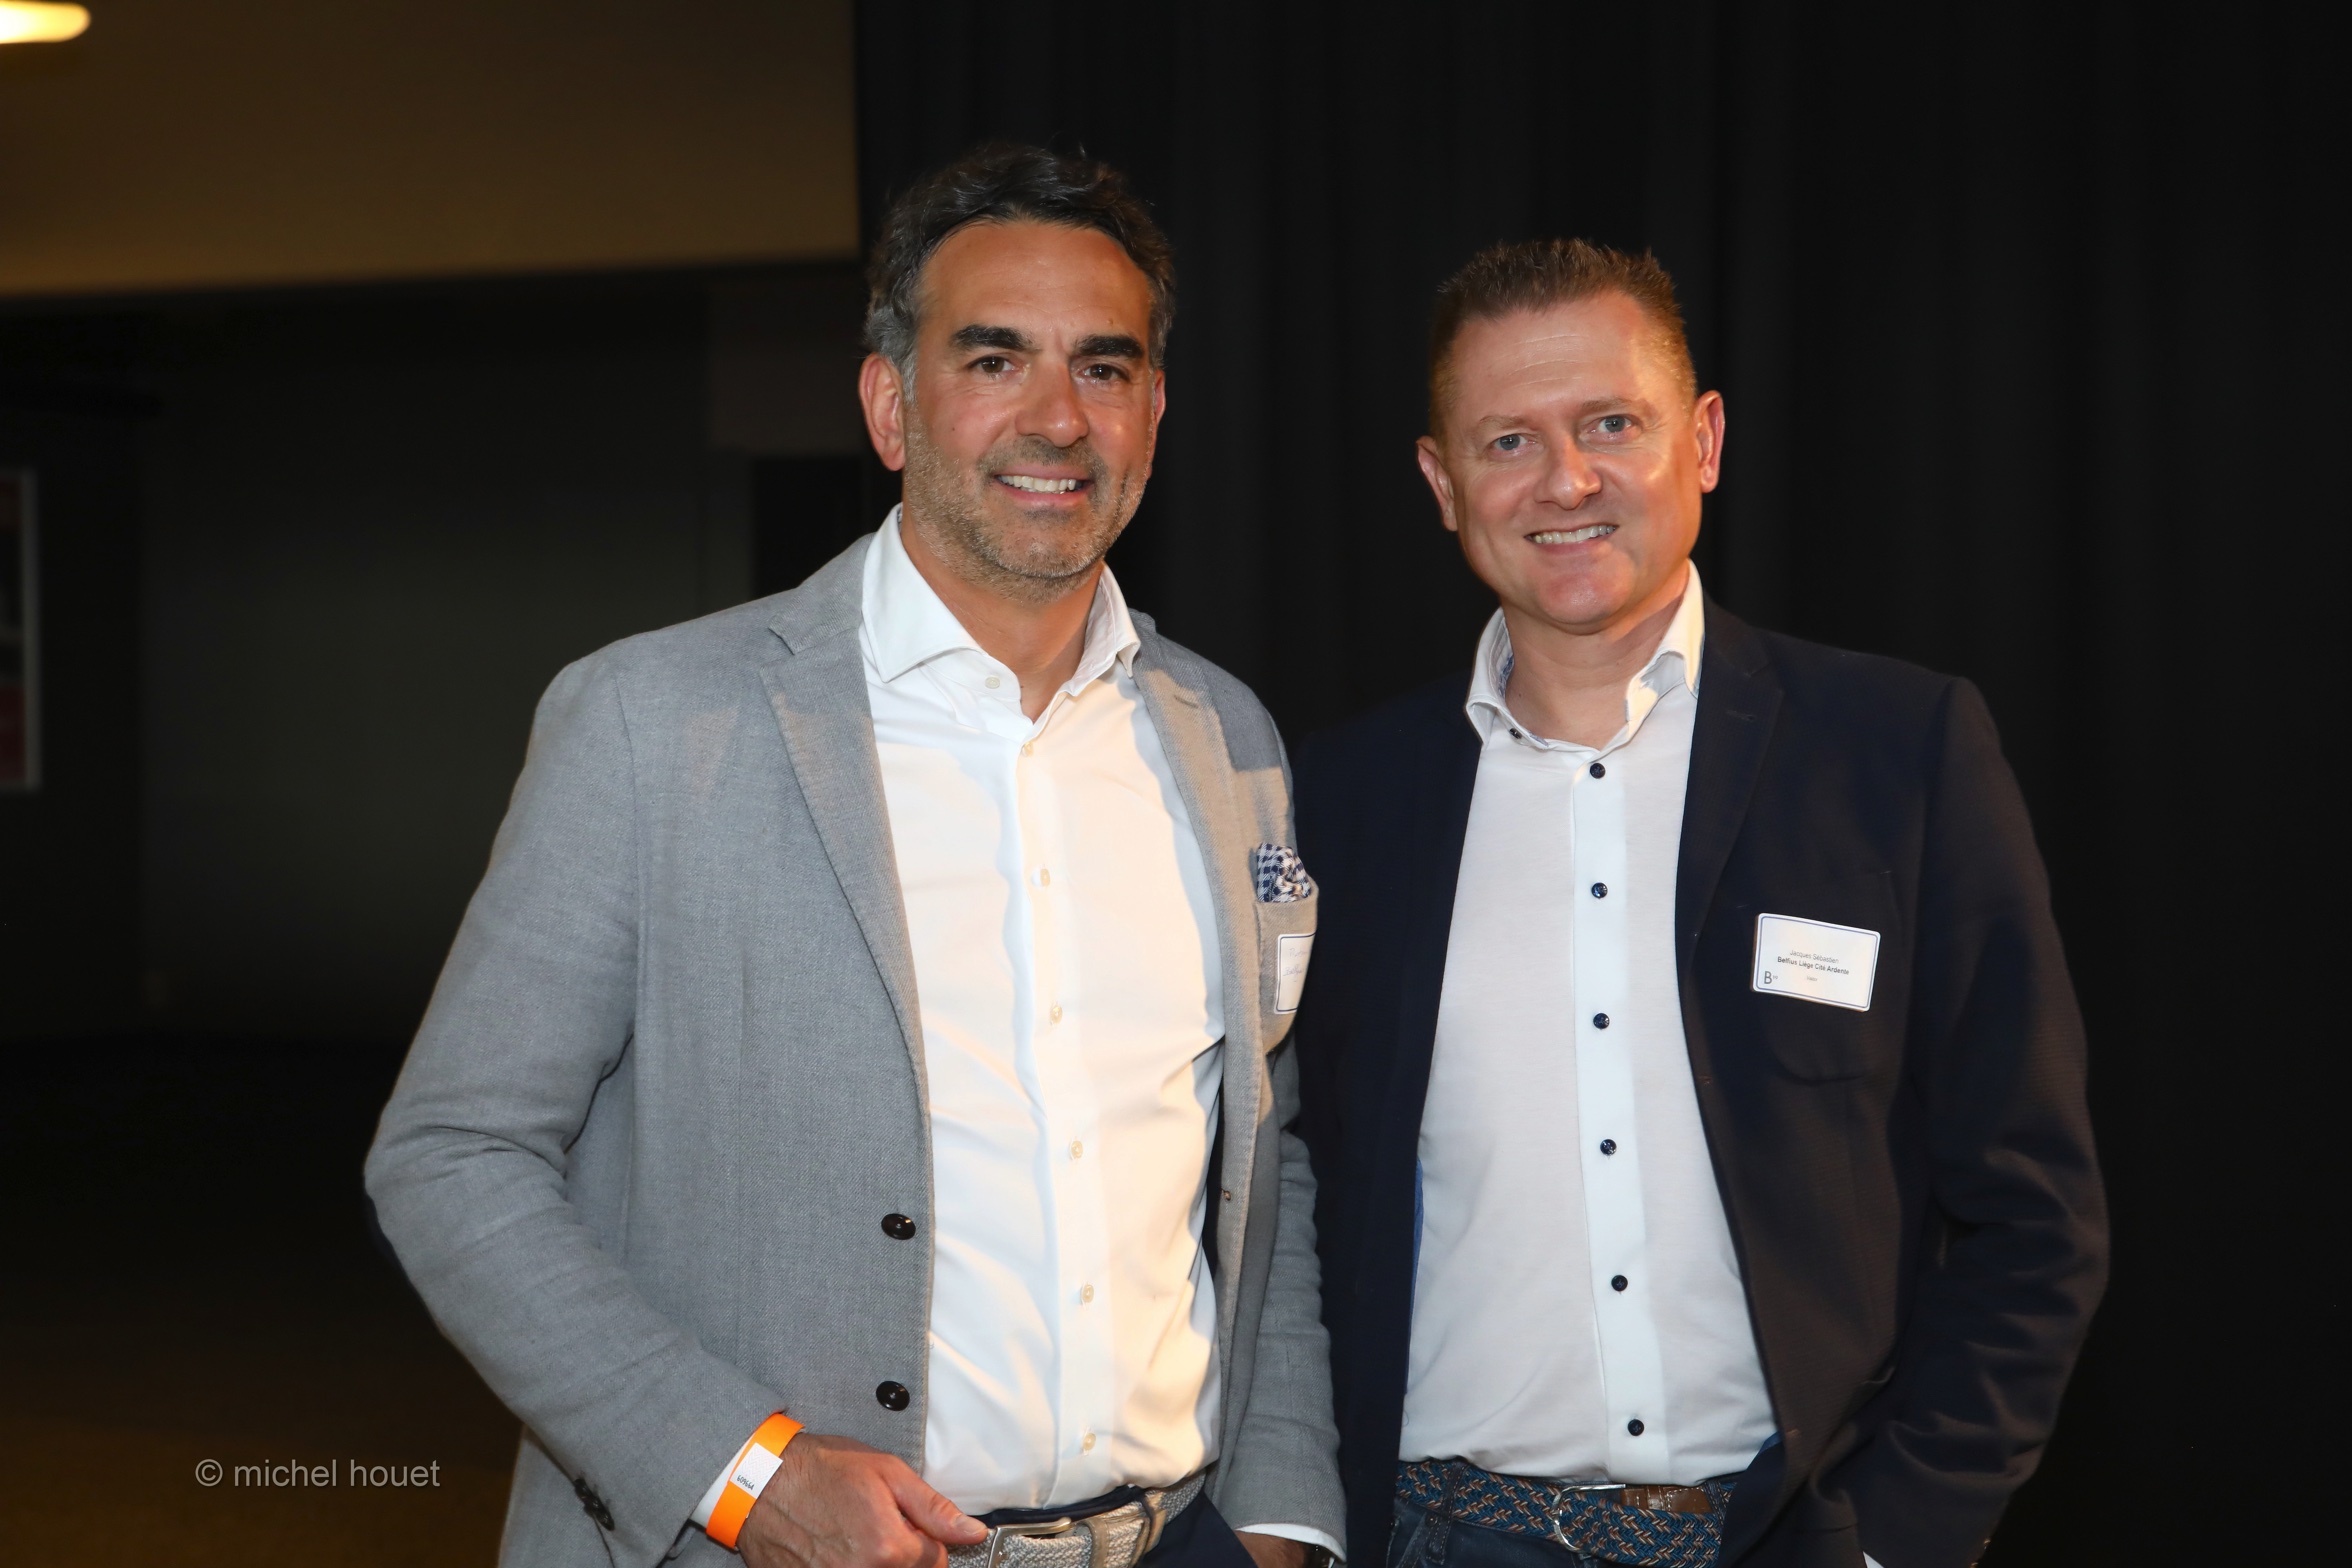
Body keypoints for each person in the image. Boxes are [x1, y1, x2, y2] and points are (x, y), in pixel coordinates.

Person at [367, 145, 1344, 1568]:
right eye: (995, 359)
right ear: (891, 406)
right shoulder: (655, 721)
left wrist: (1280, 1511)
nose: (1058, 417)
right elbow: (453, 1157)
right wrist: (743, 1475)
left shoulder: (1225, 737)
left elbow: (1264, 1152)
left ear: (1154, 411)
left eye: (1106, 367)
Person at [1290, 240, 2105, 1568]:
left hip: (1792, 1533)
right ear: (1443, 485)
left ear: (1706, 441)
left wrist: (1902, 1536)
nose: (1566, 480)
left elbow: (2035, 1209)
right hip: (1443, 1532)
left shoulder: (1896, 754)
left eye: (1612, 424)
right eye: (1508, 441)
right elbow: (1285, 1199)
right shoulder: (1340, 801)